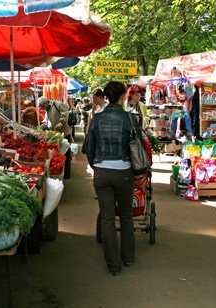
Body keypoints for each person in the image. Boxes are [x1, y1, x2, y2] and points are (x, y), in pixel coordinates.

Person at [86, 81, 135, 275]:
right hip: (124, 171)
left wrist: (96, 165)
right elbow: (137, 146)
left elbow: (89, 147)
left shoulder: (97, 118)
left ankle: (113, 265)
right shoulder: (129, 118)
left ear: (106, 96)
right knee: (125, 215)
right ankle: (128, 257)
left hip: (101, 172)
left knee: (107, 218)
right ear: (123, 97)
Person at [38, 97, 73, 179]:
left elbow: (65, 113)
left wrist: (61, 123)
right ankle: (60, 173)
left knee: (66, 154)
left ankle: (67, 175)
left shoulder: (57, 104)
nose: (42, 108)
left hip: (64, 133)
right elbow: (47, 121)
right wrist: (40, 128)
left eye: (43, 106)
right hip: (55, 135)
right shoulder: (47, 110)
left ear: (46, 103)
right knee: (59, 155)